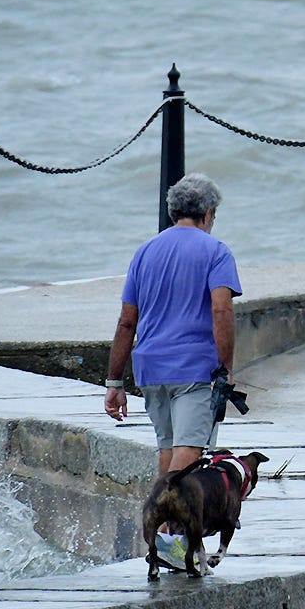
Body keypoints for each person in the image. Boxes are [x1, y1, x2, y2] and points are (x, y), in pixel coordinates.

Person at [104, 174, 242, 478]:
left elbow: (127, 322)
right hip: (194, 368)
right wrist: (225, 369)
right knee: (190, 451)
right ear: (208, 214)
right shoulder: (217, 251)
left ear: (173, 212)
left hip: (151, 370)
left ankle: (166, 524)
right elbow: (221, 310)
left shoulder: (144, 252)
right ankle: (161, 521)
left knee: (169, 451)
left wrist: (115, 382)